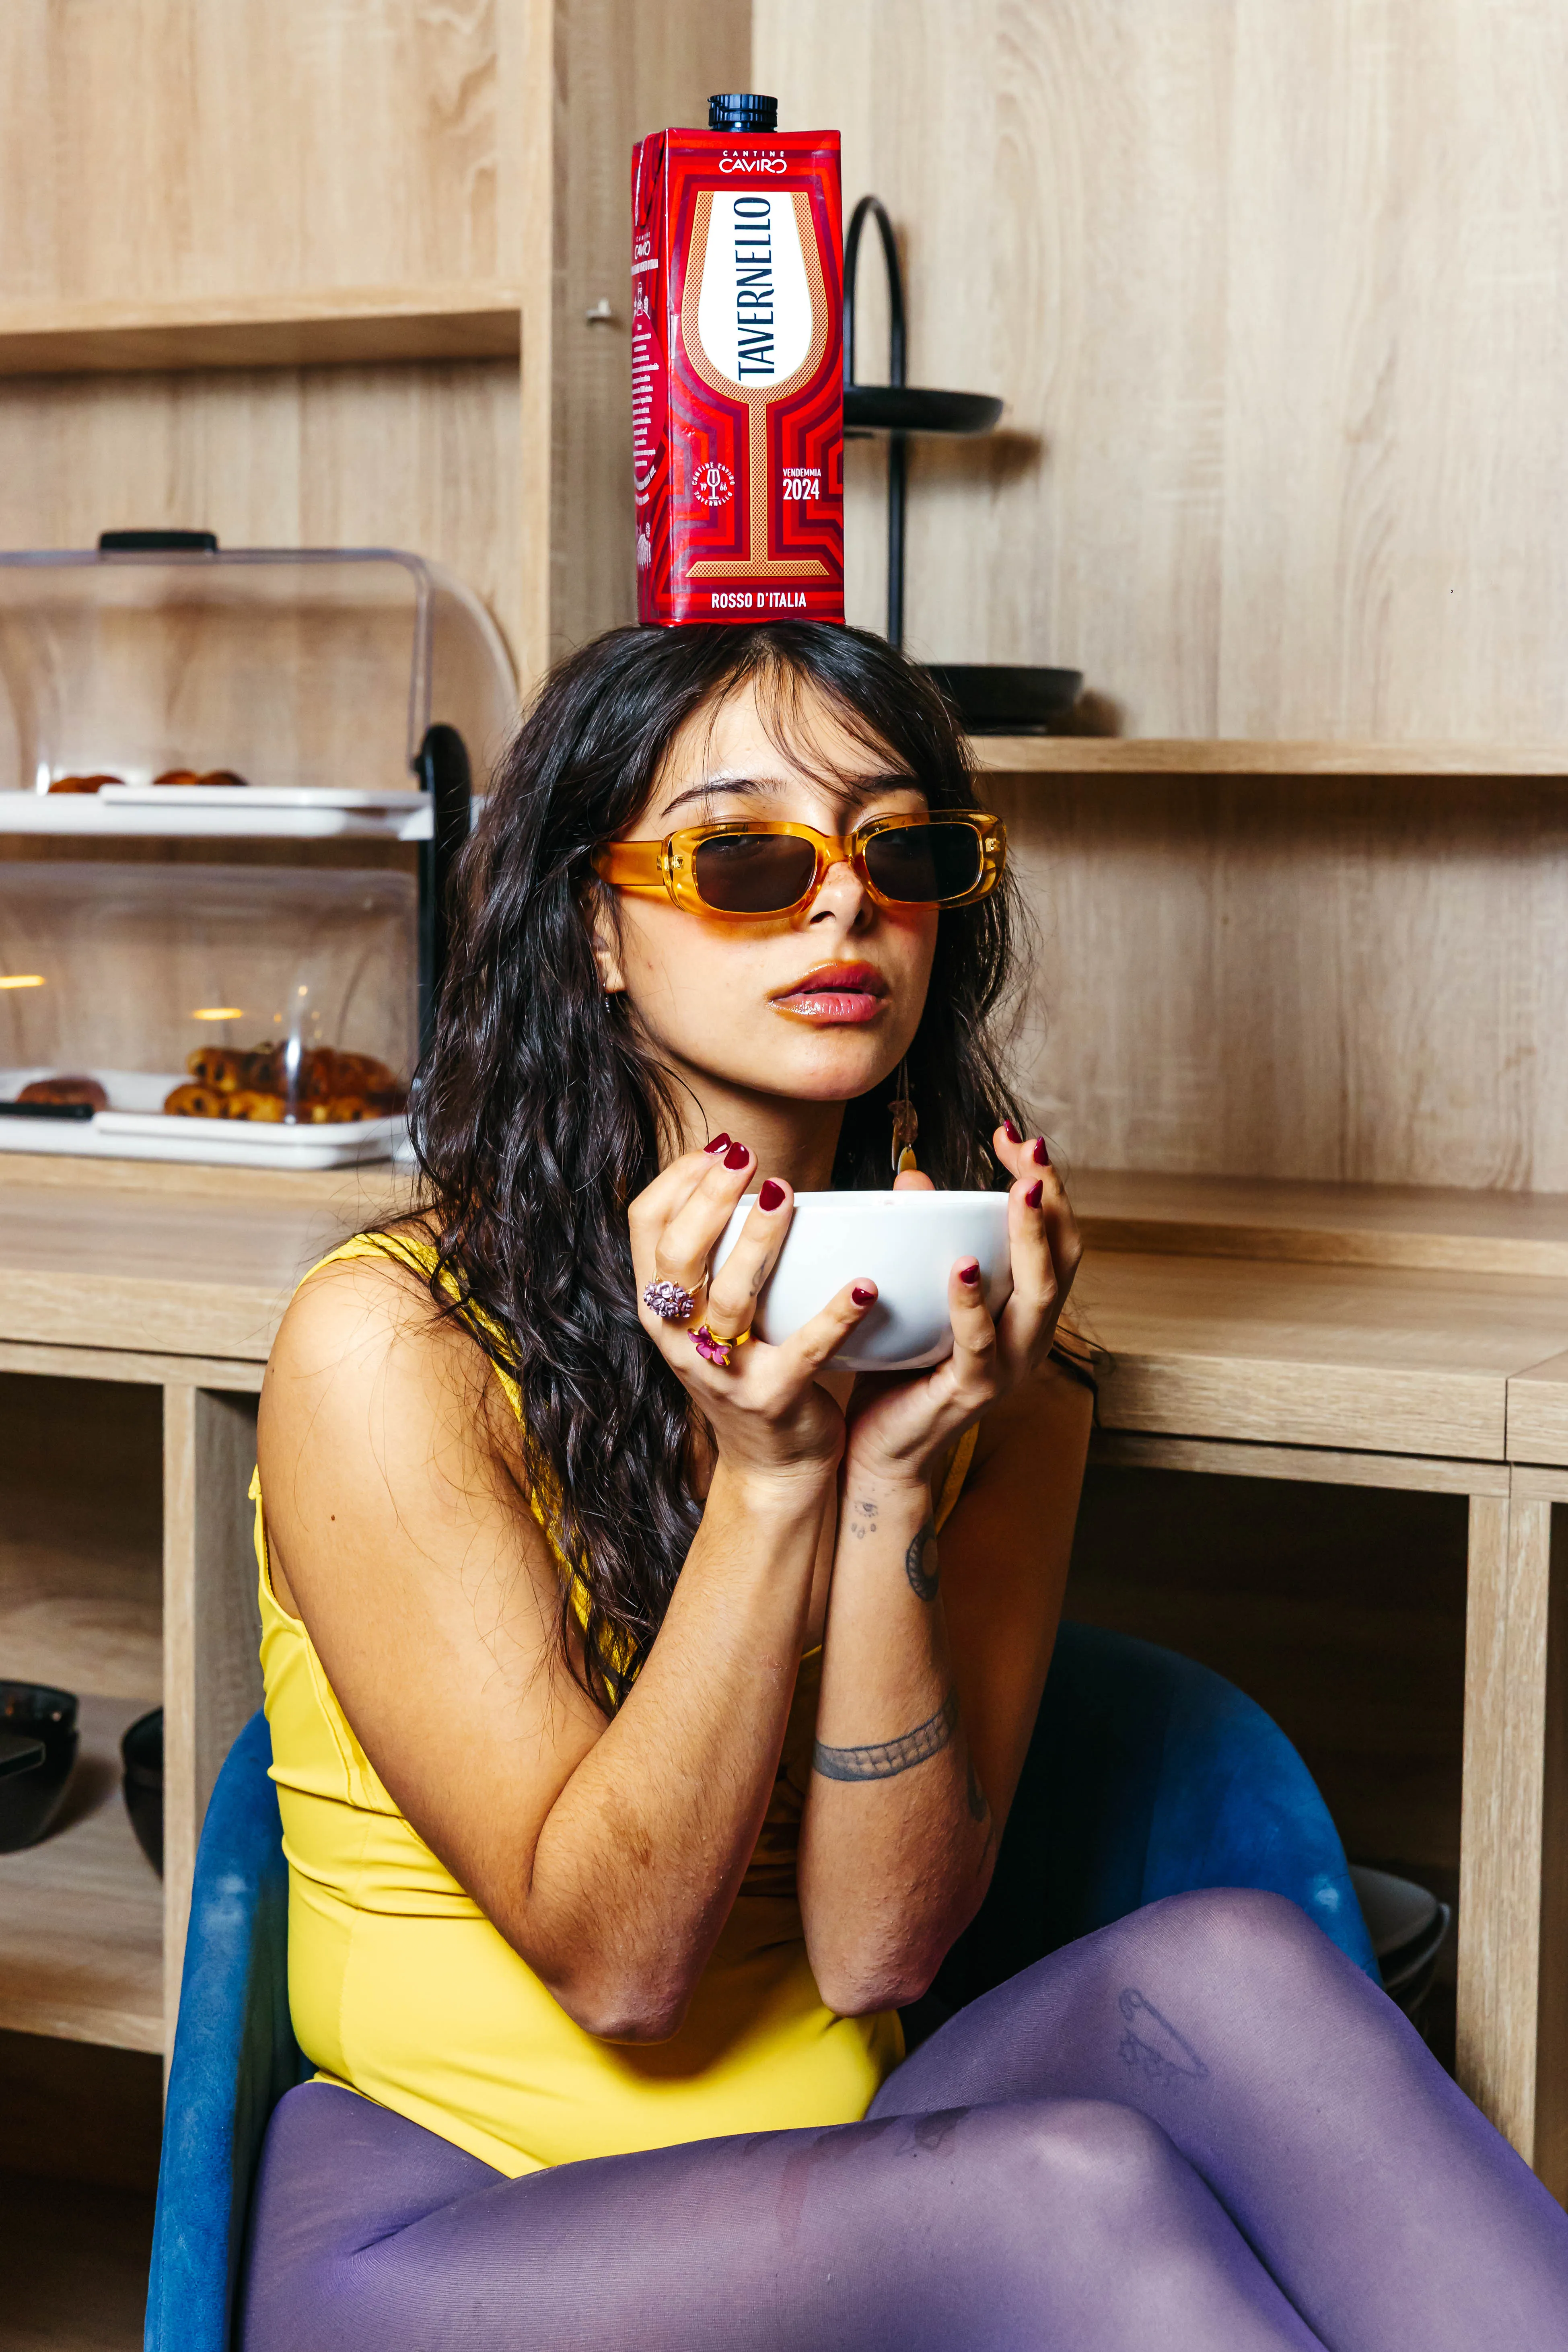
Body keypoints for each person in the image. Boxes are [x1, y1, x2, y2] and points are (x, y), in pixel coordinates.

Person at [241, 623, 1568, 2351]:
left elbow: (877, 1955)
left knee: (1235, 1964)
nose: (843, 907)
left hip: (842, 2170)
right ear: (594, 929)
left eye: (901, 852)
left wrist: (888, 1477)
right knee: (1070, 2188)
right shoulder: (391, 1345)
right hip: (456, 2229)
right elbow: (622, 1969)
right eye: (747, 858)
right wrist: (769, 1480)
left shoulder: (1004, 1368)